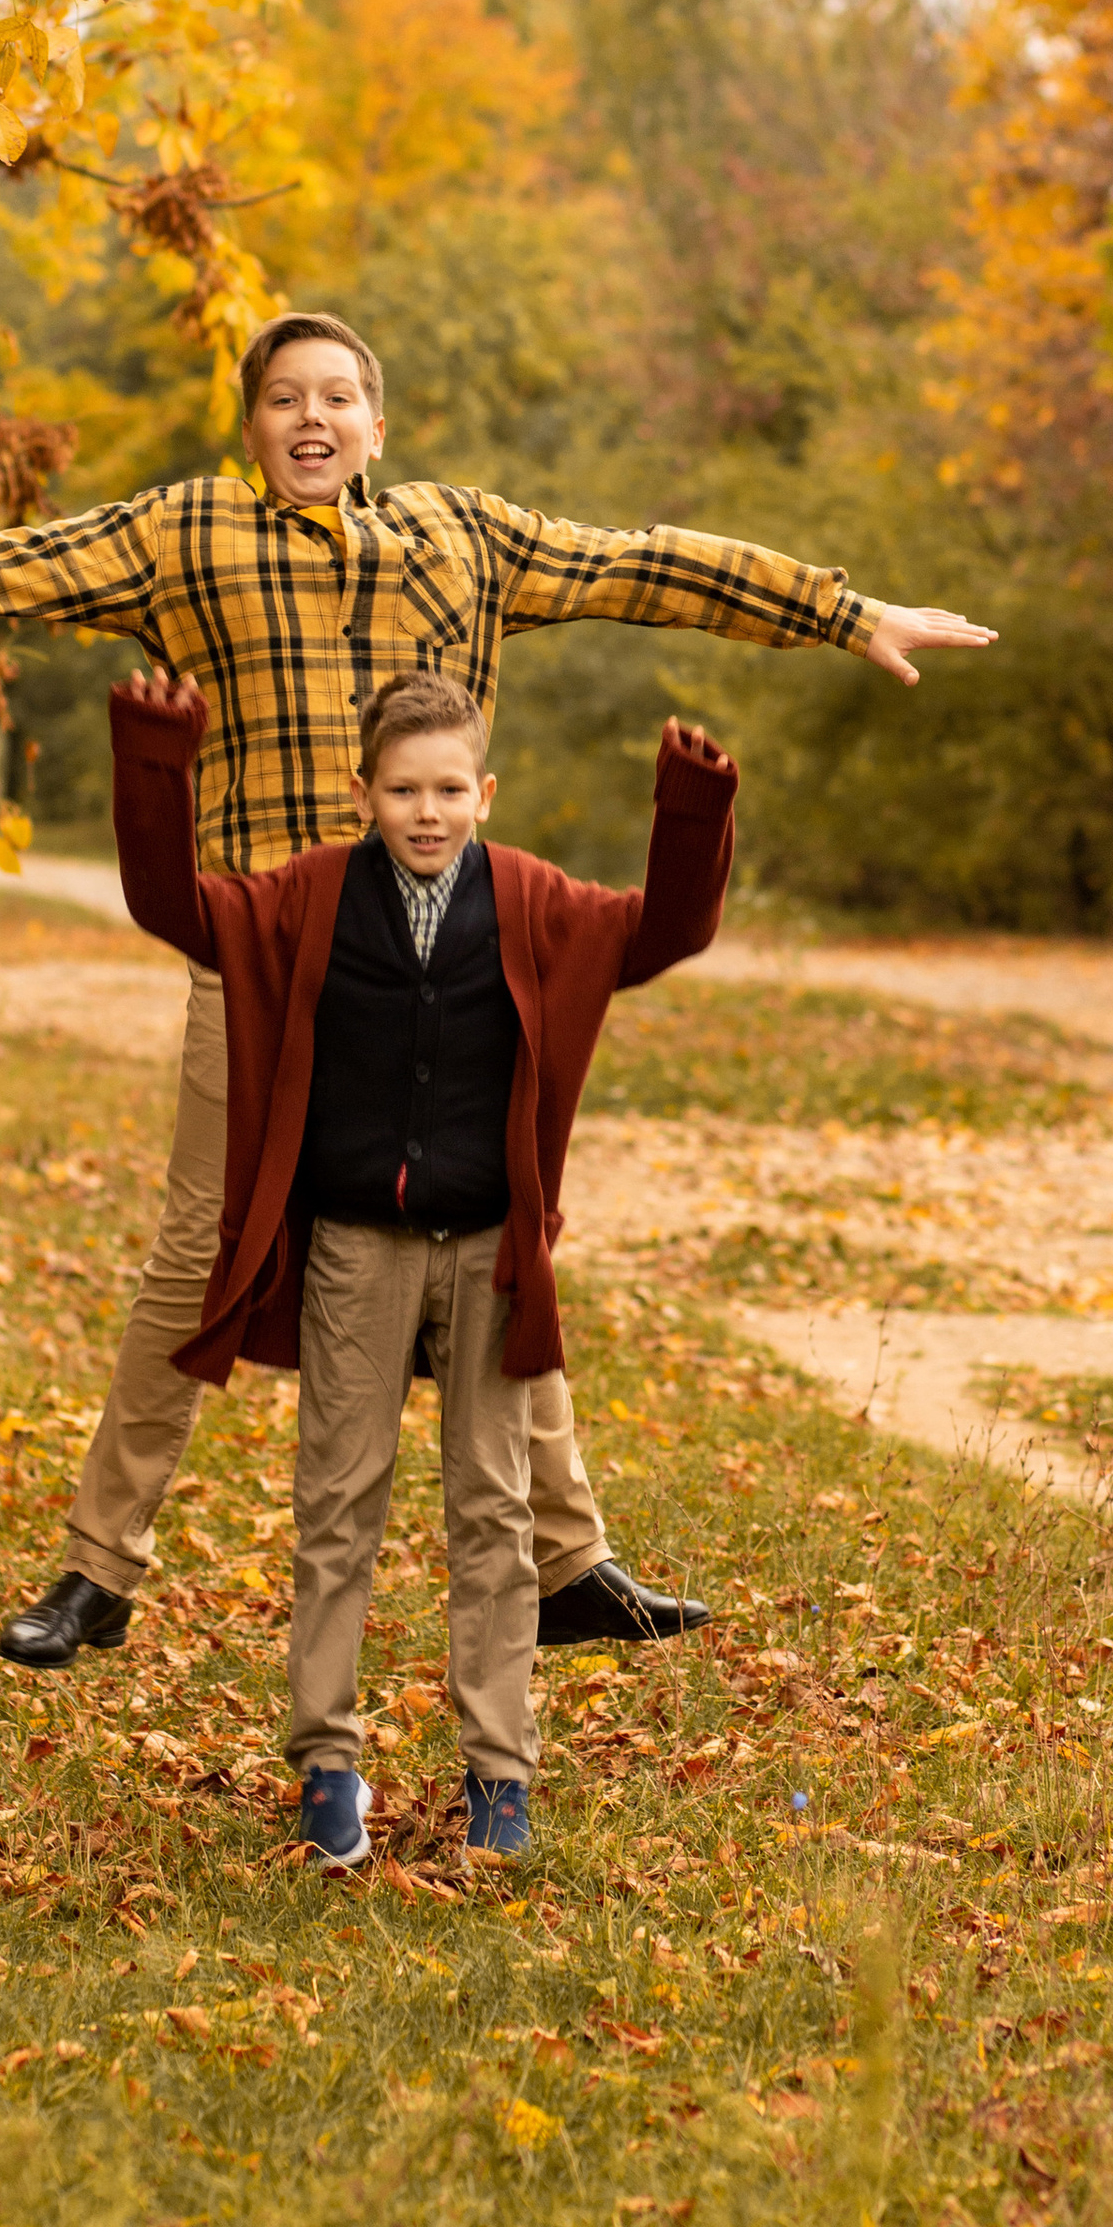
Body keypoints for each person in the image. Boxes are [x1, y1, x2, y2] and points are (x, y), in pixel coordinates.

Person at [0, 308, 997, 1666]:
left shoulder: (469, 538)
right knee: (196, 1254)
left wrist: (843, 610)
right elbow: (4, 569)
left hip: (445, 966)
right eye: (283, 400)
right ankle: (98, 1572)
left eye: (338, 398)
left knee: (495, 1253)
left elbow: (651, 566)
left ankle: (567, 1571)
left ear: (380, 425)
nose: (311, 420)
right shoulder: (185, 535)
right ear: (254, 424)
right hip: (272, 957)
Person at [110, 665, 737, 1867]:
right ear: (365, 793)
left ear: (486, 791)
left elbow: (663, 934)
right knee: (335, 1509)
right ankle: (326, 1767)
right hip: (356, 1254)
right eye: (403, 789)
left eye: (450, 787)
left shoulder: (532, 901)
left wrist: (691, 810)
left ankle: (500, 1775)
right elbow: (172, 906)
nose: (428, 811)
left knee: (495, 1519)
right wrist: (155, 757)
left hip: (492, 1257)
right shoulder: (307, 896)